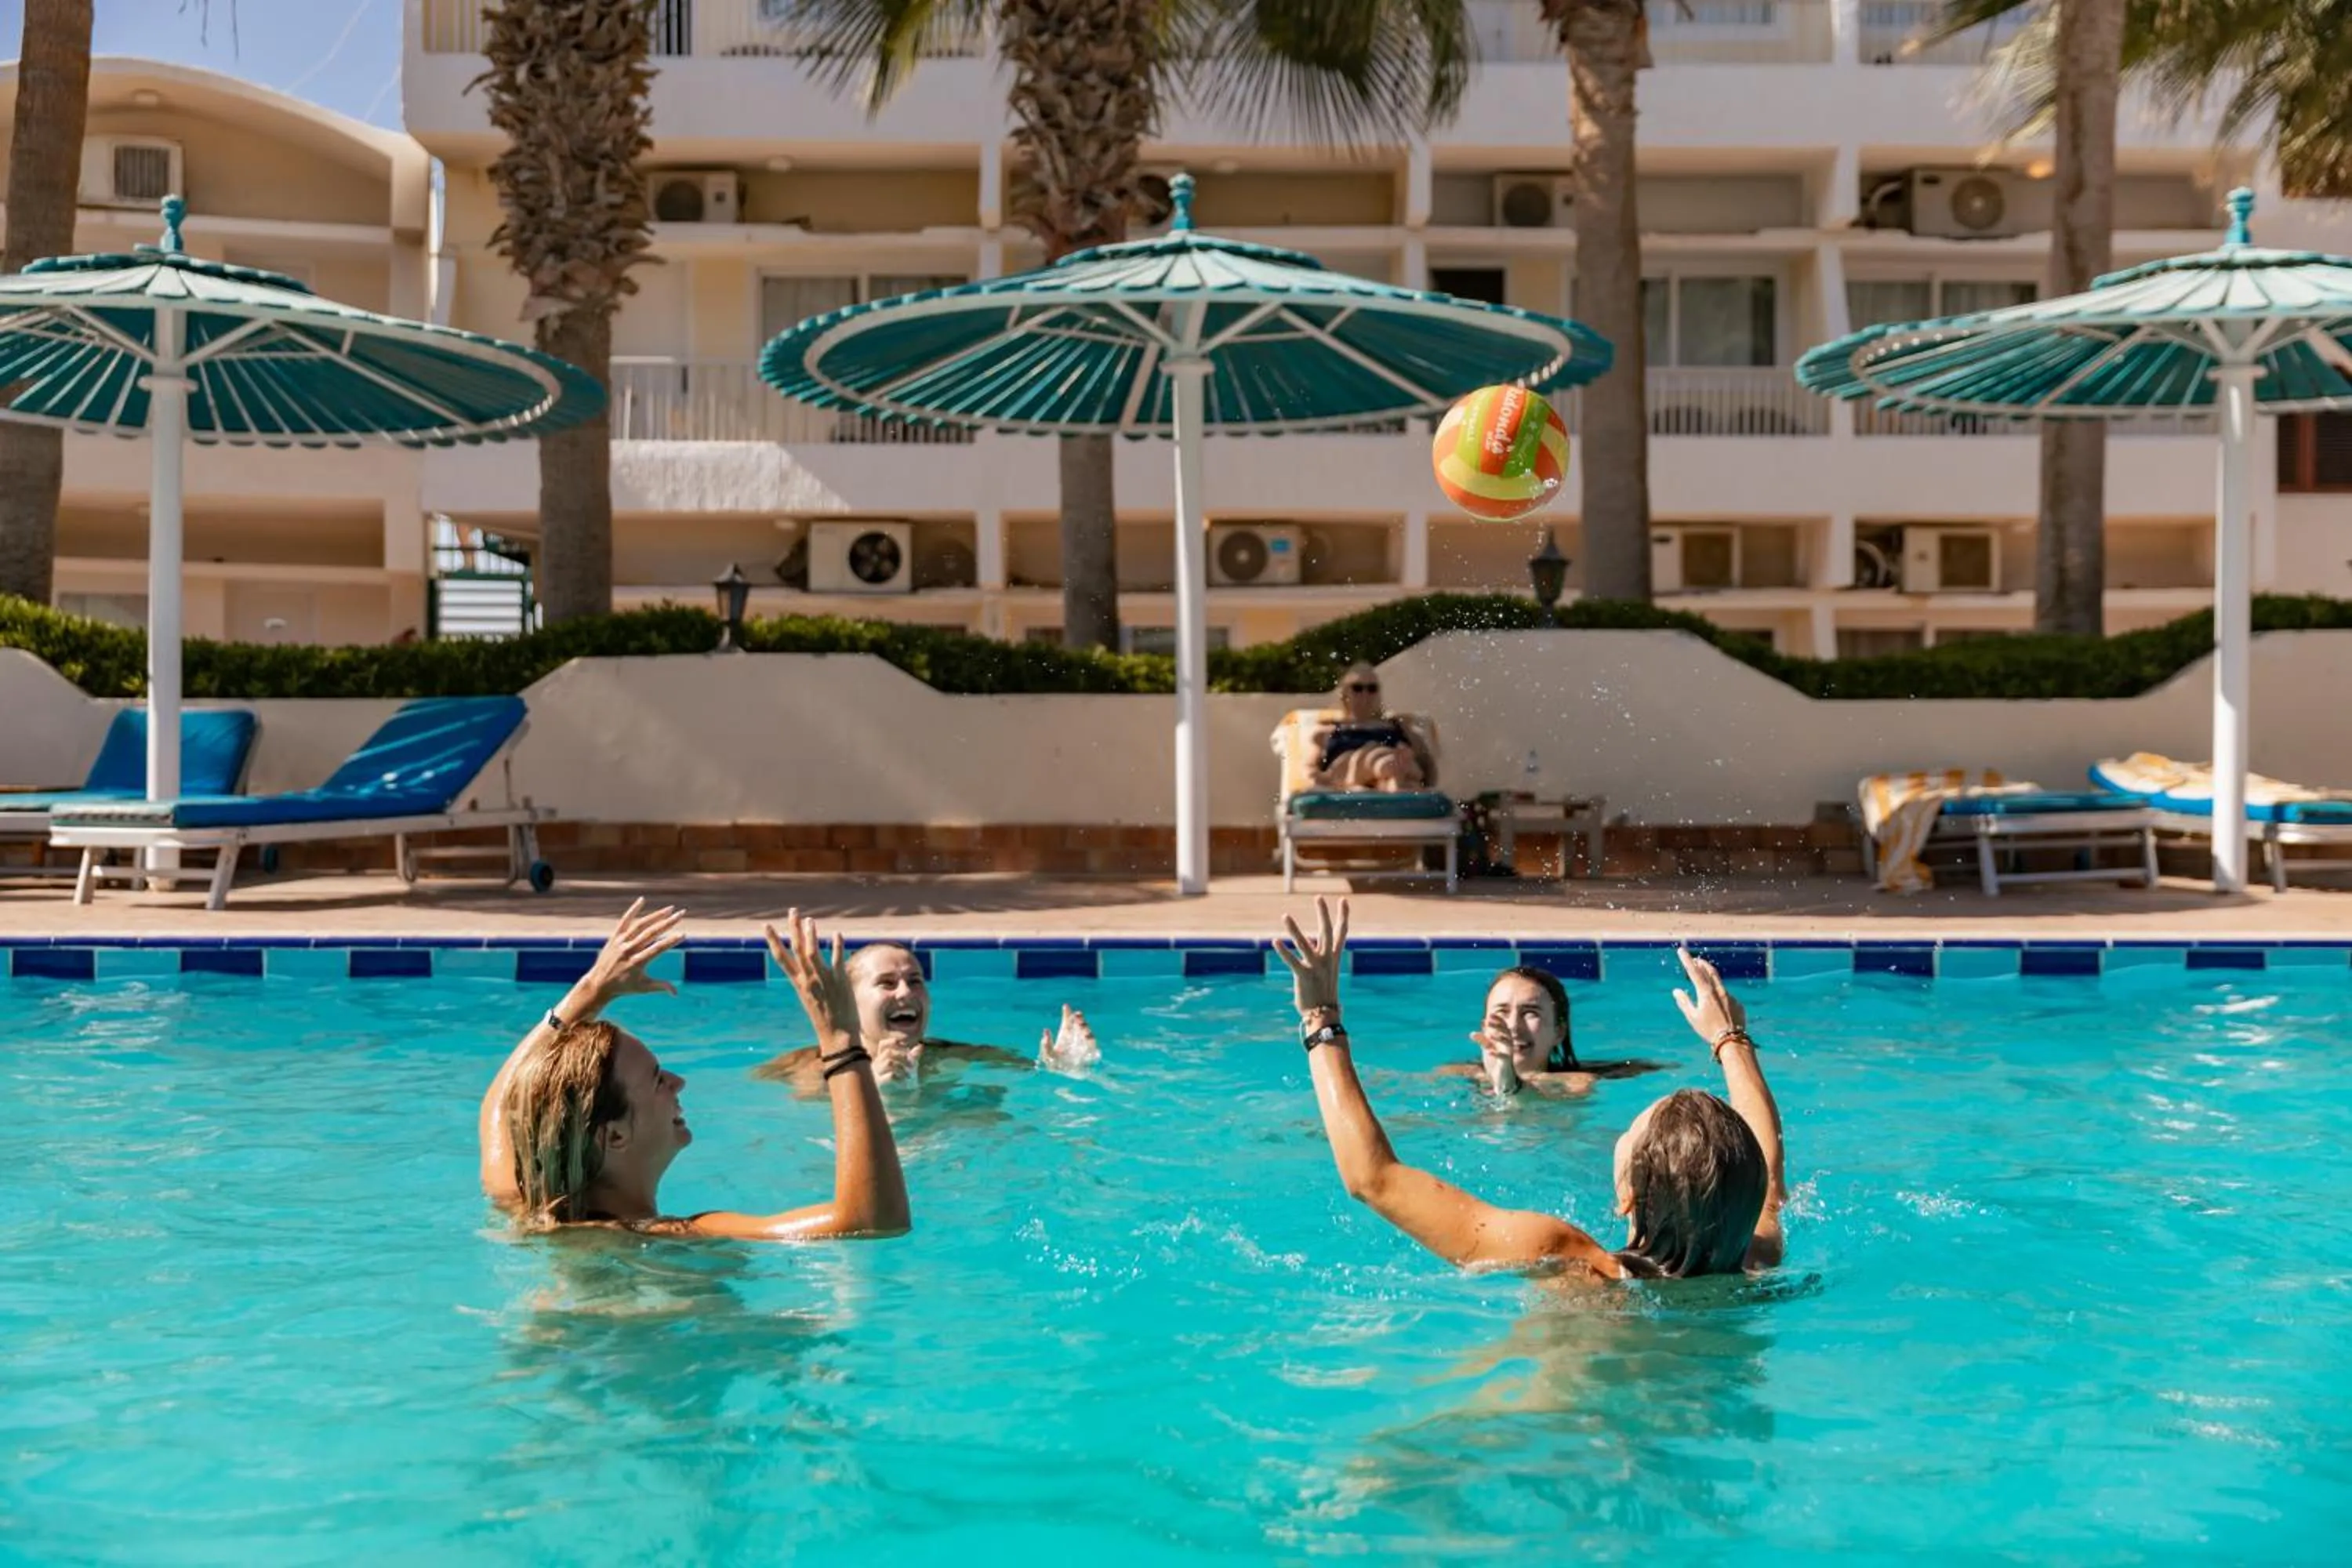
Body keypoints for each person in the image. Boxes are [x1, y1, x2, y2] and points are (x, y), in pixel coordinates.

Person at [1275, 898, 1786, 1281]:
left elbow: (1374, 1179)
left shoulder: (1570, 1260)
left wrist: (1321, 1021)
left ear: (1627, 1197)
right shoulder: (1758, 1254)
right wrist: (1731, 1040)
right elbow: (1765, 1169)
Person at [478, 899, 910, 1241]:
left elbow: (502, 1104)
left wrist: (591, 992)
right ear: (614, 1135)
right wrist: (840, 1043)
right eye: (656, 1080)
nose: (678, 1082)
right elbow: (873, 1221)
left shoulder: (528, 1210)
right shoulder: (675, 1238)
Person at [754, 940, 1099, 1090]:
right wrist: (873, 1092)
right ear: (850, 1002)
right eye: (887, 983)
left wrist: (1064, 1068)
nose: (905, 992)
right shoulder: (807, 1068)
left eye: (915, 981)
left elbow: (1032, 1075)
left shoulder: (960, 1057)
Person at [1437, 965, 1667, 1098]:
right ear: (1485, 1027)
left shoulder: (1576, 1083)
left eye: (1531, 1013)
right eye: (1502, 1012)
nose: (1514, 1026)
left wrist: (1507, 1082)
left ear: (1559, 1031)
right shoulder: (1454, 1075)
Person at [1306, 662, 1436, 794]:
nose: (1365, 694)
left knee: (1401, 771)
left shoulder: (1399, 726)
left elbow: (1426, 766)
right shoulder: (1329, 731)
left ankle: (1391, 783)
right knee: (1377, 763)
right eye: (1357, 688)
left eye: (1372, 688)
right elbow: (1311, 772)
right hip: (1350, 778)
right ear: (1345, 694)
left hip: (1396, 773)